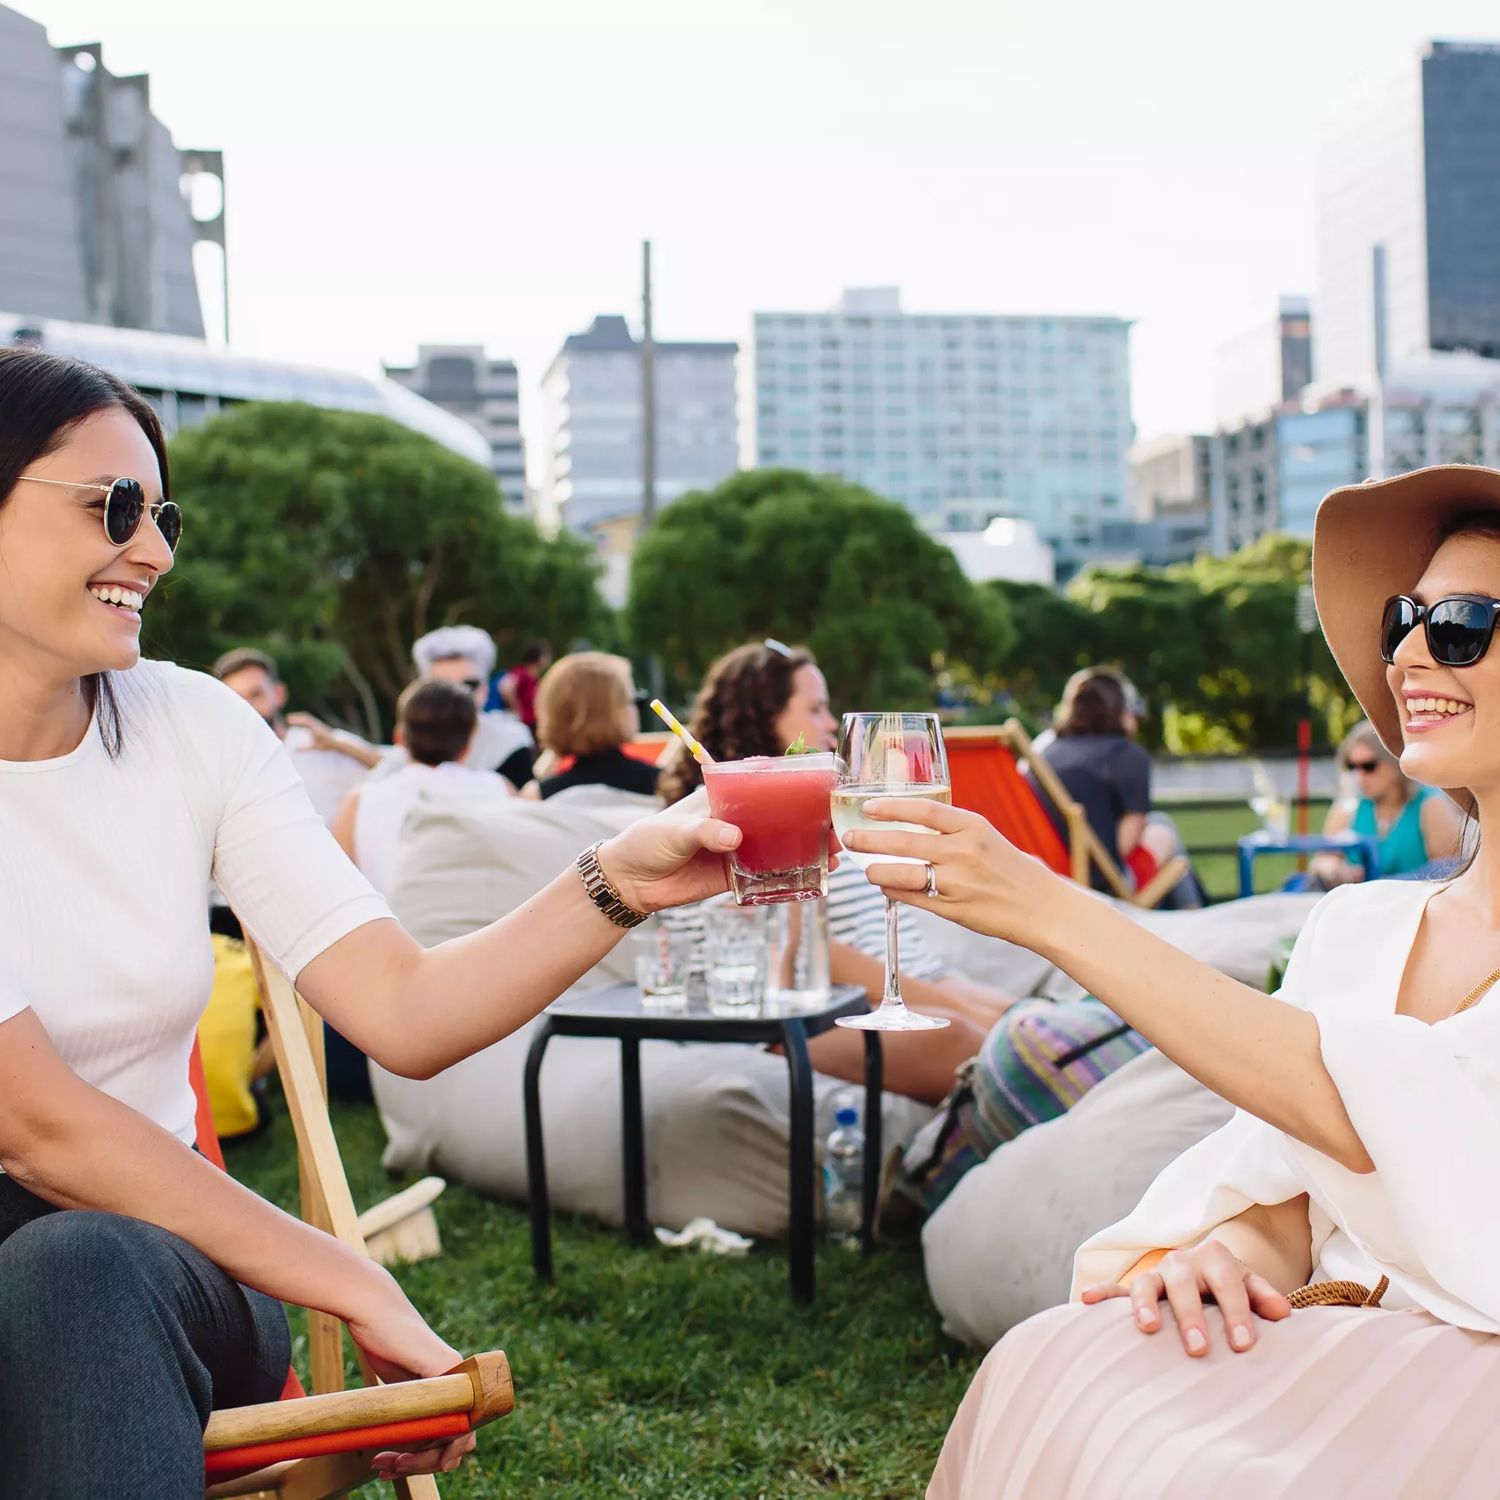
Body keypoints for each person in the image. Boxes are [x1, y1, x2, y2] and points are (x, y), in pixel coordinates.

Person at [0, 346, 750, 1496]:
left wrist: (620, 882)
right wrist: (355, 1281)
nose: (150, 551)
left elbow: (403, 1008)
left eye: (164, 516)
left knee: (75, 1275)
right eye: (113, 509)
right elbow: (34, 1124)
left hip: (158, 1272)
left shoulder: (191, 730)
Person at [843, 462, 1500, 1497]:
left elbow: (1366, 1098)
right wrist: (1232, 1252)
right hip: (1332, 1335)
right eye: (1403, 619)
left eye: (1462, 623)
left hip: (1467, 1368)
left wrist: (1052, 909)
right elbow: (1289, 1179)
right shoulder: (1358, 925)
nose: (1415, 651)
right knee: (1046, 1362)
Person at [659, 639, 1017, 1104]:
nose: (830, 724)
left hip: (906, 984)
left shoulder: (817, 805)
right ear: (764, 714)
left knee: (1038, 1026)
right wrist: (961, 1007)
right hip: (819, 1004)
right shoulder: (735, 818)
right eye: (816, 708)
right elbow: (801, 947)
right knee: (993, 1043)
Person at [1029, 667, 1203, 907]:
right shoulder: (1125, 754)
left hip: (1045, 878)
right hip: (1103, 887)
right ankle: (1194, 916)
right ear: (1120, 709)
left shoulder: (1044, 753)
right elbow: (1124, 843)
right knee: (1164, 828)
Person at [332, 678, 506, 901]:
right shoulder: (499, 790)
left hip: (392, 932)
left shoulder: (360, 802)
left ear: (399, 737)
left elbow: (337, 889)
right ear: (470, 743)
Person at [212, 647, 381, 825]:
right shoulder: (225, 771)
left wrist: (340, 746)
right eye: (238, 700)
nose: (248, 707)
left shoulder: (322, 743)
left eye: (256, 694)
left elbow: (400, 769)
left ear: (279, 694)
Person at [1305, 717, 1463, 888]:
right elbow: (1322, 862)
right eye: (1352, 766)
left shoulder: (1430, 804)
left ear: (1395, 761)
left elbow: (1450, 869)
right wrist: (1335, 870)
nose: (1359, 776)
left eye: (1369, 766)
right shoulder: (1348, 808)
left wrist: (1381, 884)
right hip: (1359, 910)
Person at [410, 625, 535, 789]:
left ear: (485, 688)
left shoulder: (510, 741)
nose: (457, 697)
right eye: (443, 687)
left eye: (469, 685)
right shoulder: (415, 740)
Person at [530, 651, 661, 802]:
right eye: (634, 700)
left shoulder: (538, 796)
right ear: (615, 710)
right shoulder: (667, 788)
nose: (637, 709)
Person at [499, 639, 551, 731]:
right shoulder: (522, 673)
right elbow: (505, 688)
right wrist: (517, 709)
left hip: (533, 723)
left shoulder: (534, 676)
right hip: (523, 724)